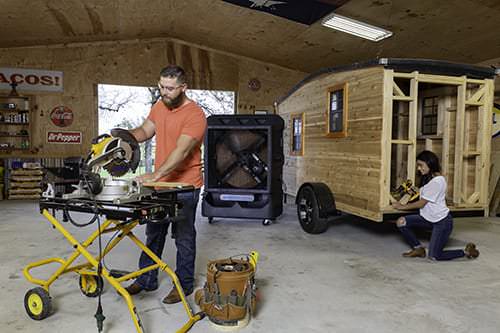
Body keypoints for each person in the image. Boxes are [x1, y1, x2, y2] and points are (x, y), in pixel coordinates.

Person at [124, 65, 207, 304]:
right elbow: (143, 131)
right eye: (161, 86)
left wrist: (156, 175)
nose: (164, 92)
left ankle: (183, 285)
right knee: (154, 233)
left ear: (183, 88)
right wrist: (120, 136)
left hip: (185, 186)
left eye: (170, 88)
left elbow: (181, 152)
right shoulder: (159, 106)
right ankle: (146, 279)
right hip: (161, 185)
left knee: (183, 237)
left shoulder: (195, 115)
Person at [391, 150, 479, 261]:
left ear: (430, 163)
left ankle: (466, 252)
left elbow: (422, 203)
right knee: (401, 222)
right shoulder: (428, 178)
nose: (419, 168)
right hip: (427, 218)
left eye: (421, 165)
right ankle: (418, 249)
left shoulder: (437, 181)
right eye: (418, 165)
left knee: (434, 256)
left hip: (442, 222)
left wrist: (401, 206)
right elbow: (422, 195)